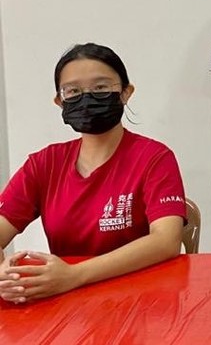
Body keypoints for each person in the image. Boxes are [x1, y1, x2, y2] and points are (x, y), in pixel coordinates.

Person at [0, 43, 186, 303]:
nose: (87, 98)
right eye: (73, 91)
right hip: (66, 302)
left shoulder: (155, 157)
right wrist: (5, 276)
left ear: (125, 93)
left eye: (100, 88)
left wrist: (75, 275)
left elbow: (166, 241)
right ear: (60, 101)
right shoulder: (44, 164)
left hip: (143, 300)